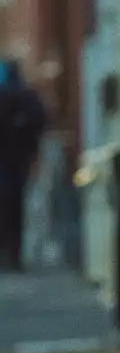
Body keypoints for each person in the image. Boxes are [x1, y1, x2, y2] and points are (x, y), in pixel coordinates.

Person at [0, 59, 45, 272]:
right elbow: (39, 121)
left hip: (11, 160)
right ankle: (13, 254)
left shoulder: (16, 96)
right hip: (18, 159)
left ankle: (8, 253)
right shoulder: (26, 95)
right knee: (15, 208)